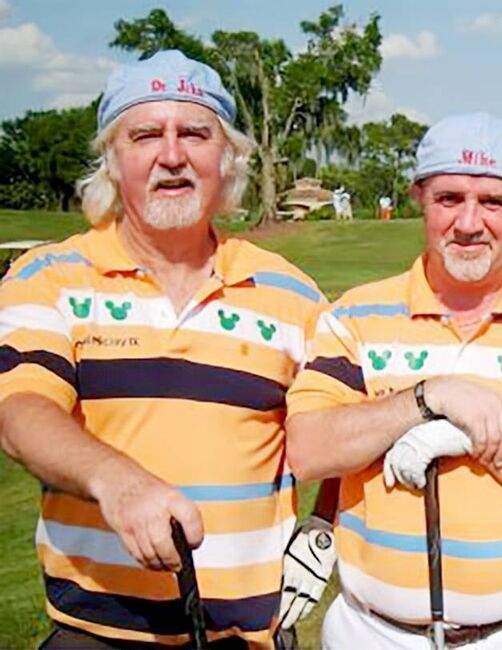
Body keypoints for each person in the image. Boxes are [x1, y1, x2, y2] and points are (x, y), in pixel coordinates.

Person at [0, 50, 333, 647]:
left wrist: (322, 529)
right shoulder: (48, 276)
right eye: (146, 134)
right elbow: (20, 410)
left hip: (248, 637)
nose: (172, 155)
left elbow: (335, 432)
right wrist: (118, 481)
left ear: (226, 158)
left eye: (195, 134)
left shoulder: (293, 294)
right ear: (113, 157)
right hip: (96, 635)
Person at [285, 112, 502, 648]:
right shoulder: (354, 316)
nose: (469, 223)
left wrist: (474, 438)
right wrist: (428, 399)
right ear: (419, 199)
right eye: (450, 198)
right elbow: (309, 450)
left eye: (494, 202)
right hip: (372, 632)